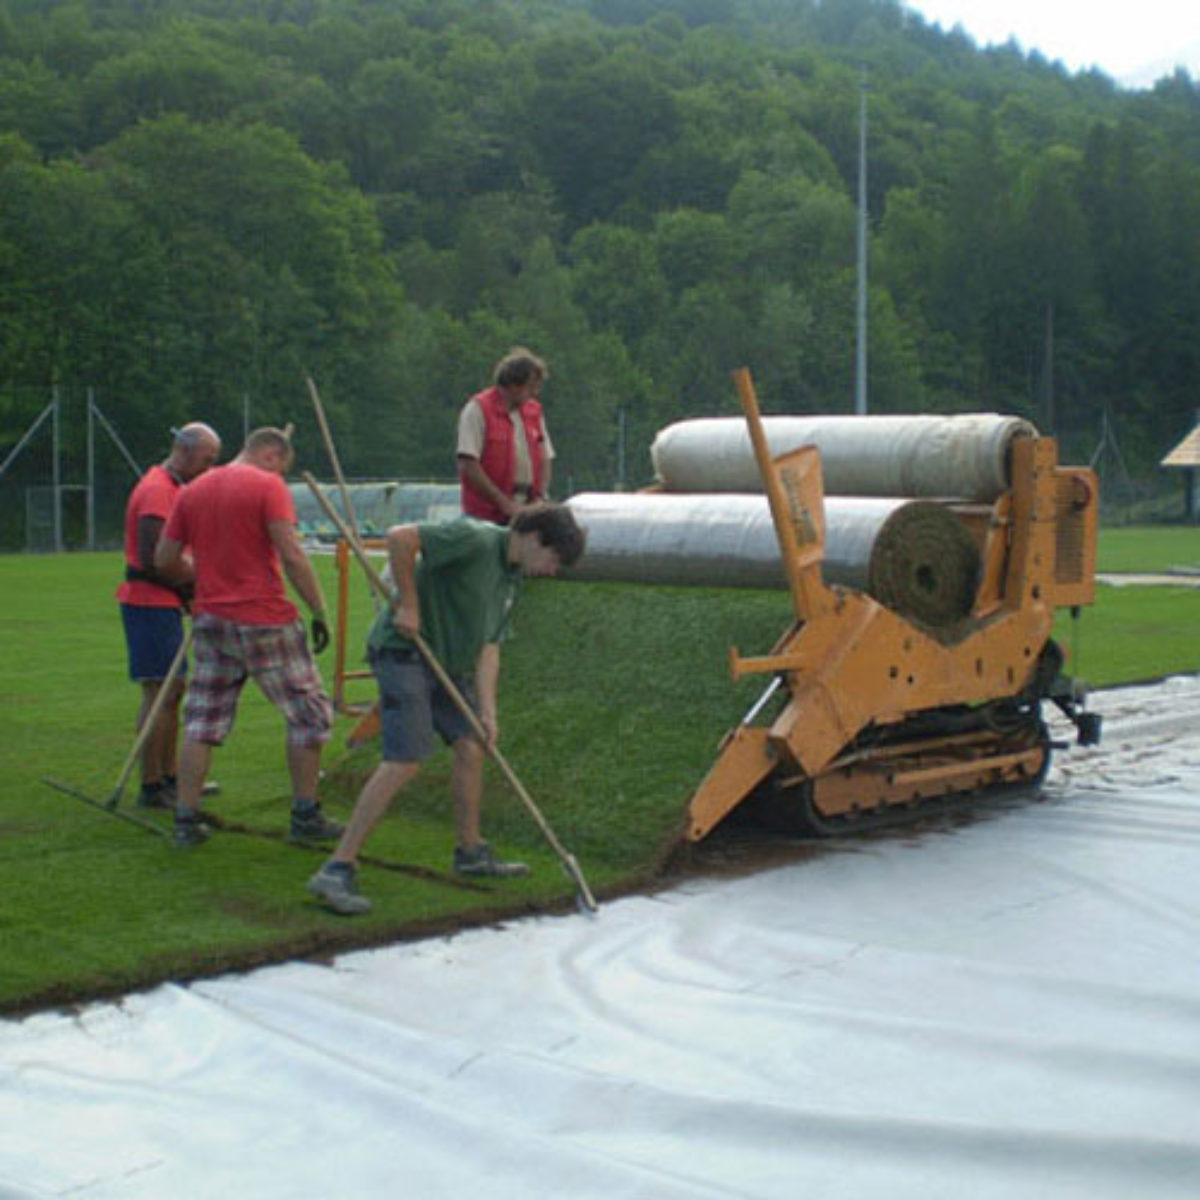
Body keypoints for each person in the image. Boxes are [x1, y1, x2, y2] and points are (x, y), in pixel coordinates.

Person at [306, 504, 586, 915]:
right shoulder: (475, 539)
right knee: (405, 760)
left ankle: (470, 851)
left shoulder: (512, 579)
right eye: (553, 559)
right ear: (532, 537)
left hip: (450, 665)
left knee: (472, 743)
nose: (552, 570)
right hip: (404, 653)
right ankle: (336, 868)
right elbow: (402, 536)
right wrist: (409, 605)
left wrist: (488, 712)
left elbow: (489, 648)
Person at [155, 427, 340, 849]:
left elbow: (164, 559)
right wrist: (318, 610)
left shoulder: (193, 490)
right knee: (308, 716)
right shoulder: (269, 486)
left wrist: (209, 575)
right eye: (284, 466)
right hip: (265, 618)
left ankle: (184, 820)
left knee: (202, 721)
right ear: (273, 455)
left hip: (211, 620)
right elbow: (292, 555)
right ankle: (306, 814)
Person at [116, 422, 222, 809]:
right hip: (148, 602)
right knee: (160, 692)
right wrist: (192, 584)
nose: (210, 469)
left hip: (165, 603)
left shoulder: (176, 488)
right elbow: (153, 559)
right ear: (184, 451)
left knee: (173, 692)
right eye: (207, 460)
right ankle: (151, 784)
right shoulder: (157, 490)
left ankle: (170, 776)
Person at [457, 347, 556, 525]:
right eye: (530, 387)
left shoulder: (534, 412)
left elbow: (545, 457)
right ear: (513, 384)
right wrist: (503, 503)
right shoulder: (478, 409)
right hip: (484, 516)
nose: (535, 393)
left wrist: (540, 497)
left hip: (526, 512)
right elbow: (468, 462)